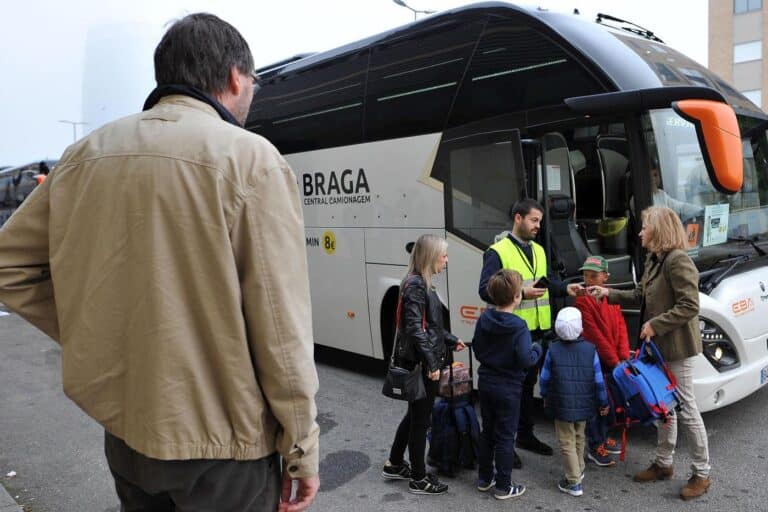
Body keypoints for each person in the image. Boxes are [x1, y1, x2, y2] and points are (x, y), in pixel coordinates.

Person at [0, 13, 320, 512]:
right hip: (225, 450)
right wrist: (302, 450)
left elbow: (9, 267)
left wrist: (95, 335)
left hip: (126, 435)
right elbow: (281, 333)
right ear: (236, 77)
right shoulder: (251, 159)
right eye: (253, 82)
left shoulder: (83, 156)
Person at [589, 206, 712, 500]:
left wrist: (655, 325)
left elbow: (690, 306)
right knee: (662, 406)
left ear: (658, 230)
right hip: (657, 349)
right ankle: (663, 463)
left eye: (645, 227)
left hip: (676, 347)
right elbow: (639, 295)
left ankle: (702, 473)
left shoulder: (677, 260)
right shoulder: (654, 260)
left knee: (686, 408)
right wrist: (608, 294)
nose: (640, 232)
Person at [478, 198, 582, 465]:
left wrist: (565, 288)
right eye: (534, 220)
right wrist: (521, 293)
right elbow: (484, 289)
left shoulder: (538, 249)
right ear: (518, 218)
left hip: (536, 331)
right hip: (511, 333)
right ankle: (505, 443)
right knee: (510, 393)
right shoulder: (497, 251)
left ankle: (524, 435)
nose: (538, 226)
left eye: (540, 221)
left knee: (525, 389)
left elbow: (544, 281)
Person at [383, 234, 465, 496]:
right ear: (431, 257)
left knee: (415, 416)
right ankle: (419, 478)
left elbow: (428, 326)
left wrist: (451, 339)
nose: (447, 260)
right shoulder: (418, 285)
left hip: (423, 359)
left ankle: (395, 464)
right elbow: (415, 329)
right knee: (421, 421)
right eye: (444, 256)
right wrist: (432, 363)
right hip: (422, 363)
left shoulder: (419, 282)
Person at [473, 269, 542, 500]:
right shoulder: (519, 326)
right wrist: (537, 350)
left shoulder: (484, 318)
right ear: (517, 297)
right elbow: (525, 359)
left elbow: (478, 349)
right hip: (509, 387)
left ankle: (484, 478)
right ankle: (504, 485)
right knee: (505, 435)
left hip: (486, 383)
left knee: (488, 431)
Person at [539, 307, 609, 498]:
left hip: (561, 404)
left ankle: (573, 482)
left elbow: (544, 378)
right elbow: (598, 381)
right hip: (585, 403)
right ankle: (579, 468)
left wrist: (544, 394)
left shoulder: (552, 349)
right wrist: (603, 402)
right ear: (580, 328)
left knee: (566, 441)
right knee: (579, 436)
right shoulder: (590, 349)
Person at [574, 255, 630, 467]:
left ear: (605, 277)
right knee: (597, 404)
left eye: (594, 276)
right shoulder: (582, 300)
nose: (588, 280)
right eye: (586, 275)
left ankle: (604, 436)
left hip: (613, 361)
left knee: (610, 402)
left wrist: (623, 355)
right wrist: (616, 360)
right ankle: (595, 444)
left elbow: (622, 327)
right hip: (597, 361)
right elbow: (594, 335)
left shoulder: (610, 297)